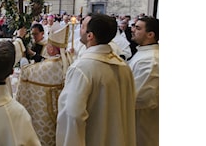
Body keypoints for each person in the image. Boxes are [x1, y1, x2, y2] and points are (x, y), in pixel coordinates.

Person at [56, 13, 136, 146]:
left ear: (90, 36)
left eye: (82, 27)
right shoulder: (124, 67)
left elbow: (72, 115)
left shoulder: (82, 68)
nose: (79, 30)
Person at [16, 26, 72, 146]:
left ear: (51, 49)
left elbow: (26, 72)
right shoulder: (69, 61)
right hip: (64, 112)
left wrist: (24, 60)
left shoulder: (48, 67)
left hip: (48, 116)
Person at [127, 16, 159, 146]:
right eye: (134, 26)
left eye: (137, 28)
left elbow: (139, 97)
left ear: (150, 34)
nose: (132, 30)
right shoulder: (143, 53)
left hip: (143, 122)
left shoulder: (151, 61)